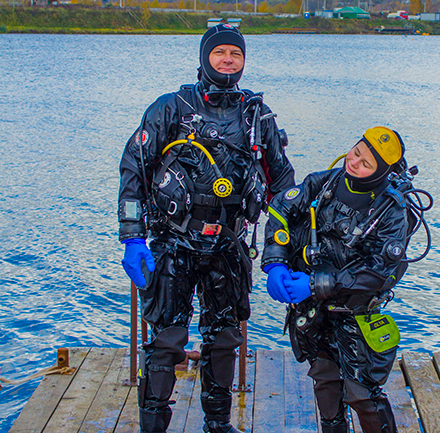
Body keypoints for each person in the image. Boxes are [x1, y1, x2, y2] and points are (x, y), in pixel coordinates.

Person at [118, 24, 295, 433]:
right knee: (166, 339)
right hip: (173, 241)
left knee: (223, 340)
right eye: (220, 53)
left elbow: (284, 187)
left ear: (244, 60)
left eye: (236, 53)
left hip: (229, 245)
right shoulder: (169, 108)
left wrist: (284, 252)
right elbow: (134, 170)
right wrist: (132, 237)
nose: (228, 60)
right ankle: (153, 425)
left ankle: (218, 424)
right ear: (204, 58)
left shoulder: (257, 116)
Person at [262, 127, 414, 433]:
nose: (354, 163)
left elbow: (377, 271)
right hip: (313, 311)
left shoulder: (392, 211)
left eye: (366, 164)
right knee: (325, 380)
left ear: (381, 172)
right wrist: (275, 261)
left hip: (354, 312)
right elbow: (281, 209)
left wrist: (314, 284)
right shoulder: (324, 182)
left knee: (362, 392)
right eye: (356, 152)